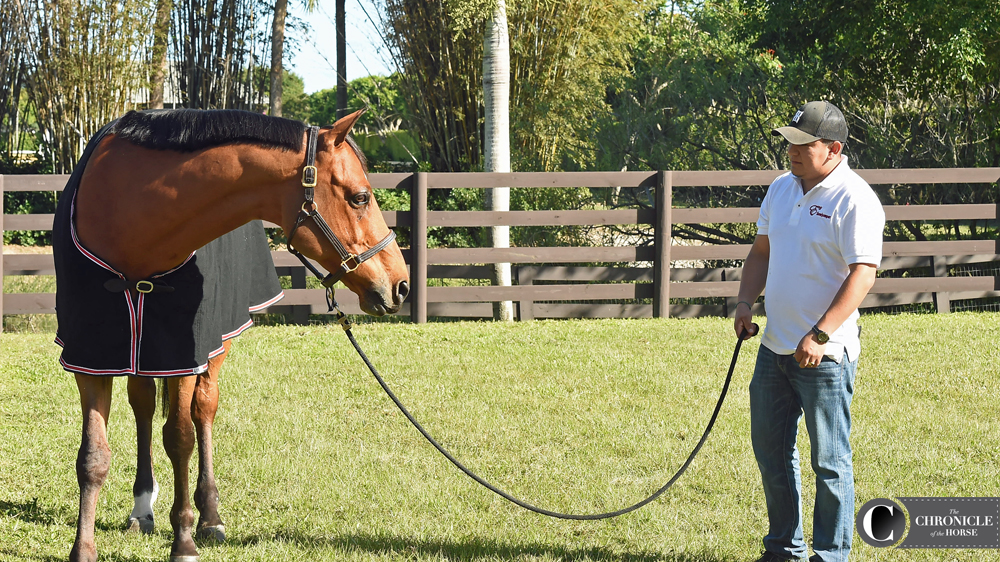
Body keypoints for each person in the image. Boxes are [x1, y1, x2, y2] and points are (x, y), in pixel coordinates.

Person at [734, 101, 885, 562]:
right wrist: (744, 302)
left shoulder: (855, 198)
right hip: (774, 347)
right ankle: (783, 548)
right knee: (771, 454)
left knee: (830, 463)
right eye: (789, 142)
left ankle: (831, 555)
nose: (792, 152)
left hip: (826, 355)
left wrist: (819, 335)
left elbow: (863, 273)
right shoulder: (781, 189)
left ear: (834, 149)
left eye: (804, 144)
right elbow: (761, 253)